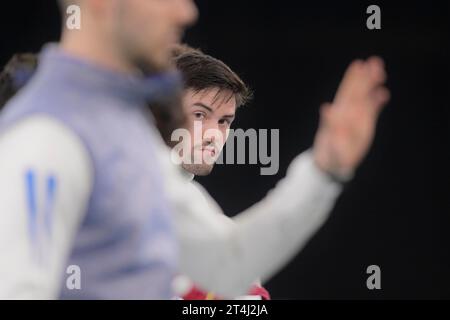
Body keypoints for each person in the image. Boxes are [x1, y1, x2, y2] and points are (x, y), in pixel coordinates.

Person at [0, 0, 389, 299]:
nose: (187, 11)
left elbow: (228, 265)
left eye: (225, 120)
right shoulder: (44, 136)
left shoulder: (127, 138)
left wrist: (323, 172)